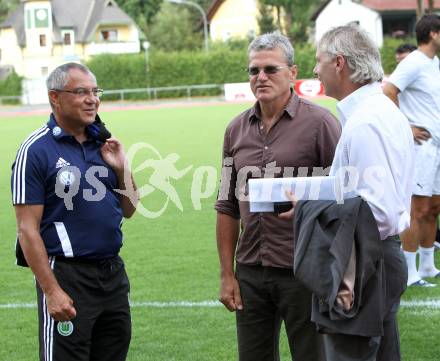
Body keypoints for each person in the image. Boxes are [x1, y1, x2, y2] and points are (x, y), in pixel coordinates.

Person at [215, 32, 341, 361]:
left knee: (313, 356)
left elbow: (345, 196)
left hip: (305, 270)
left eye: (270, 69)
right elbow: (227, 205)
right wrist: (227, 273)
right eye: (253, 71)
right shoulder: (235, 130)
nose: (260, 77)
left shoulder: (321, 124)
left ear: (292, 73)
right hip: (252, 270)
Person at [11, 62, 138, 361]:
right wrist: (51, 290)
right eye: (81, 92)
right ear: (55, 97)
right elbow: (27, 229)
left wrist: (122, 169)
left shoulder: (103, 144)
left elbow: (130, 209)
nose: (92, 99)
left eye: (95, 91)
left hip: (112, 274)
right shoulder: (36, 150)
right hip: (68, 276)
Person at [312, 24, 414, 361]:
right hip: (379, 256)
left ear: (339, 63)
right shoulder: (379, 112)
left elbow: (377, 212)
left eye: (319, 61)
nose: (316, 70)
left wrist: (309, 208)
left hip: (367, 259)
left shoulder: (367, 121)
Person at [384, 14, 440, 287]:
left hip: (437, 146)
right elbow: (388, 91)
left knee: (433, 208)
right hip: (421, 148)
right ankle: (408, 272)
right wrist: (405, 127)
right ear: (433, 34)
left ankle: (428, 266)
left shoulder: (434, 63)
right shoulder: (414, 62)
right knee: (416, 210)